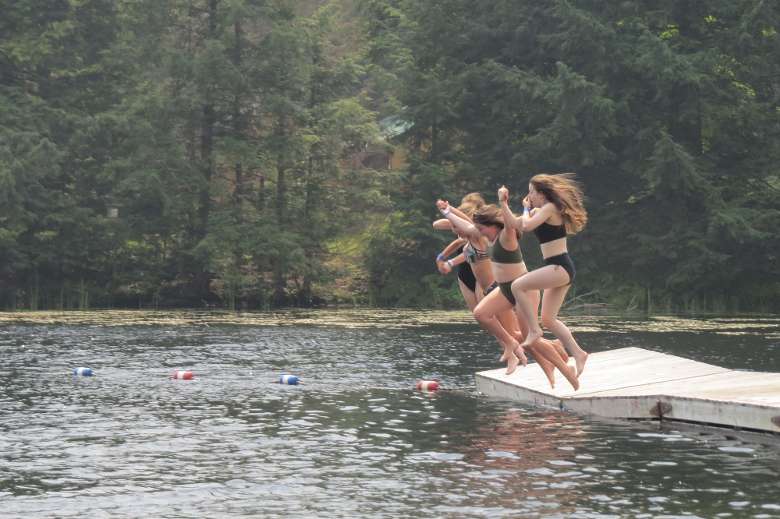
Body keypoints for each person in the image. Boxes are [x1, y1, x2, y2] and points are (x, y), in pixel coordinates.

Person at [437, 199, 578, 389]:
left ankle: (564, 367)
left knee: (530, 340)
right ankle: (515, 346)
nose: (478, 231)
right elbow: (468, 226)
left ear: (493, 226)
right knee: (481, 314)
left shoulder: (507, 235)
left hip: (523, 291)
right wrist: (447, 211)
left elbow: (506, 222)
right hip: (504, 290)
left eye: (482, 228)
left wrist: (505, 202)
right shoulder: (486, 238)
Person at [498, 174, 589, 377]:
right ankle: (579, 353)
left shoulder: (550, 208)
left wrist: (525, 210)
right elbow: (515, 224)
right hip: (557, 267)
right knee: (549, 319)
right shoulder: (538, 211)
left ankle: (534, 331)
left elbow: (527, 226)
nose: (529, 195)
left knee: (517, 286)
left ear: (541, 193)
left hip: (560, 266)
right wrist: (503, 203)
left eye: (532, 192)